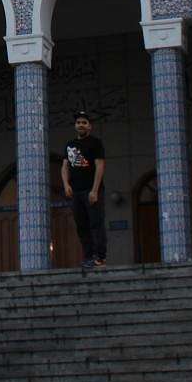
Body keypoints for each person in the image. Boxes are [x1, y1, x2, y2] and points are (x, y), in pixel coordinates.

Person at [62, 111, 109, 269]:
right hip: (76, 192)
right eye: (78, 122)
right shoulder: (70, 145)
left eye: (84, 122)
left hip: (91, 191)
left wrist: (95, 190)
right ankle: (88, 256)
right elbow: (65, 166)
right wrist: (66, 184)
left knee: (96, 224)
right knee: (81, 225)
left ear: (89, 126)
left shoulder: (96, 143)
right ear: (75, 126)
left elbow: (100, 166)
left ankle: (100, 257)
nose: (81, 125)